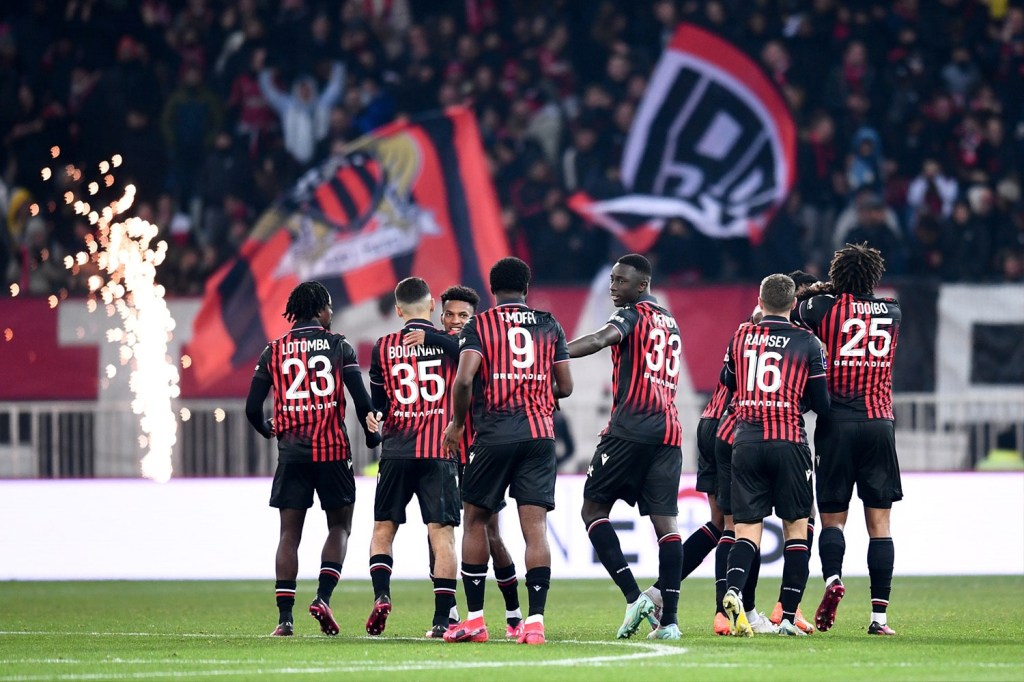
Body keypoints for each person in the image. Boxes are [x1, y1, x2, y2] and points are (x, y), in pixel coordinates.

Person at [441, 257, 574, 645]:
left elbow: (464, 378)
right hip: (539, 436)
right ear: (527, 287)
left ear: (492, 288)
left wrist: (457, 422)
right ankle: (534, 623)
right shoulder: (550, 324)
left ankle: (476, 620)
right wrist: (535, 391)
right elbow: (564, 387)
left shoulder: (479, 325)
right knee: (535, 528)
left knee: (476, 520)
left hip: (495, 434)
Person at [245, 281, 380, 637]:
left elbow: (251, 408)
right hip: (332, 452)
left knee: (289, 534)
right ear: (320, 309)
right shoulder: (339, 346)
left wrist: (266, 429)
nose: (332, 314)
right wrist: (371, 435)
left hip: (292, 454)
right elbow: (362, 401)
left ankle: (284, 619)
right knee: (340, 526)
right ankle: (322, 598)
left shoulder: (273, 351)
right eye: (330, 308)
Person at [566, 253, 690, 641]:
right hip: (668, 432)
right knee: (666, 526)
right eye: (612, 280)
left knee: (592, 509)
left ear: (642, 285)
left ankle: (634, 596)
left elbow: (602, 339)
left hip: (630, 428)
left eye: (621, 281)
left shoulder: (633, 313)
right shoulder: (670, 323)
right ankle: (669, 621)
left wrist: (551, 353)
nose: (613, 287)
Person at [399, 284, 526, 638]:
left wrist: (435, 339)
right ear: (440, 315)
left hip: (480, 451)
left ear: (476, 317)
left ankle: (514, 613)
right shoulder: (429, 344)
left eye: (463, 316)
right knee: (438, 533)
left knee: (489, 532)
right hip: (441, 454)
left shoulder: (478, 340)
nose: (456, 322)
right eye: (450, 315)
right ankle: (449, 615)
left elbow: (459, 348)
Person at [794, 244, 903, 636]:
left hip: (836, 423)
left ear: (838, 276)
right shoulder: (893, 310)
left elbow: (791, 307)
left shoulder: (822, 309)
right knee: (880, 523)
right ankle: (879, 619)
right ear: (873, 276)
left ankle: (833, 579)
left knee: (833, 520)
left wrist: (818, 290)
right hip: (879, 423)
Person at [720, 274, 830, 637]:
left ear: (760, 300)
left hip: (746, 442)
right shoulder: (809, 343)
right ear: (793, 305)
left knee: (746, 530)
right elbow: (821, 404)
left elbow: (728, 379)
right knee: (796, 529)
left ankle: (733, 591)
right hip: (788, 442)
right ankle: (785, 618)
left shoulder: (740, 336)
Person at [362, 277, 462, 639]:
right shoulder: (452, 344)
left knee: (383, 530)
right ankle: (441, 620)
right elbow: (467, 357)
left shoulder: (382, 347)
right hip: (439, 451)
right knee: (442, 535)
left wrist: (375, 415)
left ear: (398, 310)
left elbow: (380, 404)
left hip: (396, 450)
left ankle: (382, 595)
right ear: (432, 304)